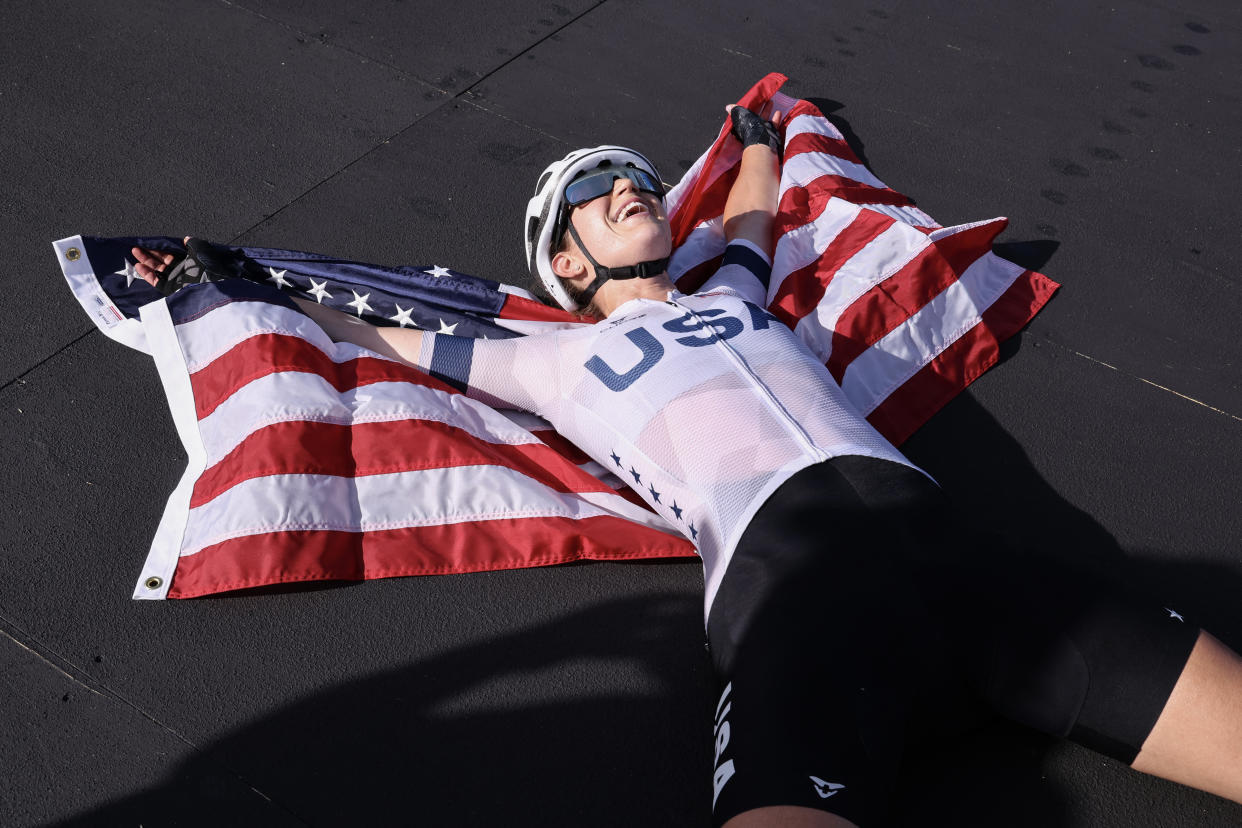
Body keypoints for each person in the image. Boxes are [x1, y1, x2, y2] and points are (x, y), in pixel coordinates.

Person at [131, 106, 1242, 827]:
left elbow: (753, 212)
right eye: (598, 188)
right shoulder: (550, 358)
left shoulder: (734, 293)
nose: (632, 186)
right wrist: (222, 274)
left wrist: (764, 134)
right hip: (798, 609)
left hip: (962, 559)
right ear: (563, 260)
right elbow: (376, 332)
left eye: (640, 177)